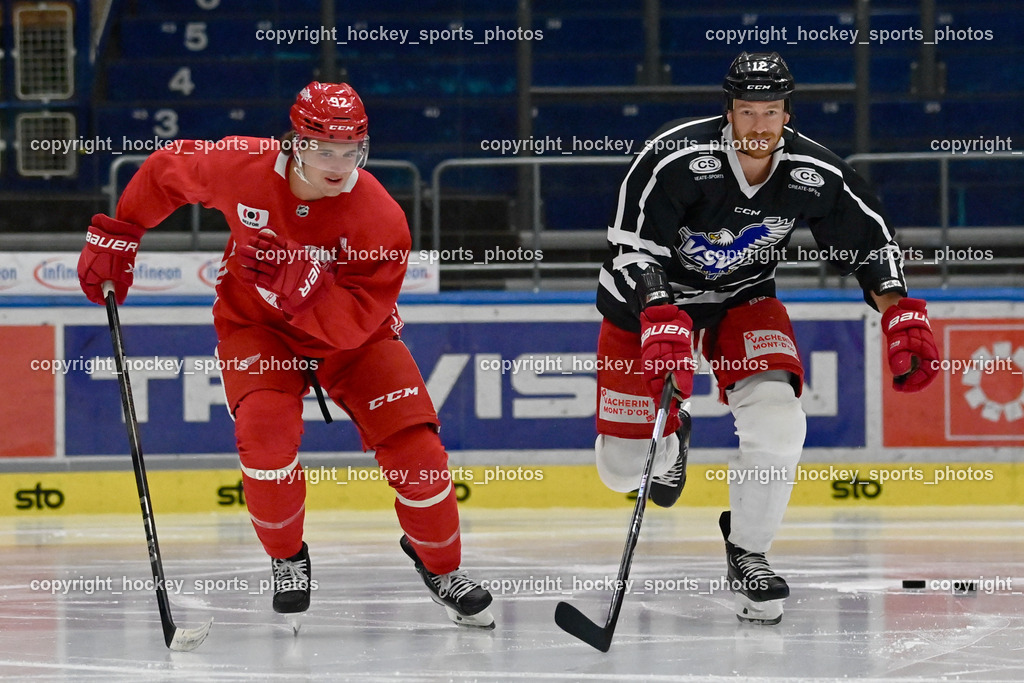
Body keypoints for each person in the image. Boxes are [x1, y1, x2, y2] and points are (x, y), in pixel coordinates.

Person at [76, 81, 495, 629]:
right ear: (294, 142)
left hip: (356, 341)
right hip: (257, 328)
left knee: (419, 455)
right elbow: (165, 170)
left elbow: (360, 323)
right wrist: (120, 231)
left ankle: (441, 566)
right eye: (325, 150)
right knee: (265, 438)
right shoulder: (241, 166)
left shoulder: (381, 218)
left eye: (353, 151)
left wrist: (313, 293)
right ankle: (287, 557)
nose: (339, 164)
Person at [593, 52, 939, 624]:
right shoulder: (672, 158)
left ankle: (748, 552)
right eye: (747, 111)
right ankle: (672, 440)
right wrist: (657, 309)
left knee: (780, 421)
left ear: (786, 113)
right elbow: (630, 249)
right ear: (728, 111)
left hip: (742, 298)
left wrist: (899, 313)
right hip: (649, 304)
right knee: (623, 468)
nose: (759, 125)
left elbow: (869, 245)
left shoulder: (812, 171)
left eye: (771, 111)